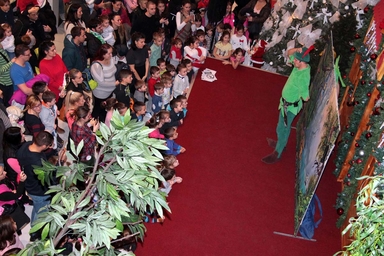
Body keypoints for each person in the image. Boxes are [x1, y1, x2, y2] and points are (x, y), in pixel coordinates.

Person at [262, 47, 311, 164]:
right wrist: (297, 49)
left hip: (291, 108)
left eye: (296, 60)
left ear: (301, 62)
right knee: (280, 126)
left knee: (284, 127)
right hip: (284, 103)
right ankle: (281, 143)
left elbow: (306, 97)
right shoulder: (298, 66)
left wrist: (304, 95)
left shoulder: (303, 77)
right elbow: (288, 53)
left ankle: (278, 151)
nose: (293, 61)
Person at [16, 131, 54, 226]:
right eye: (50, 145)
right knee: (42, 212)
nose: (51, 147)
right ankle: (35, 232)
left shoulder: (25, 146)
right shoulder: (38, 163)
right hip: (39, 192)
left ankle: (33, 225)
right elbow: (48, 180)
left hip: (29, 185)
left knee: (37, 209)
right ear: (44, 146)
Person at [90, 44, 117, 122]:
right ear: (103, 54)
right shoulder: (96, 66)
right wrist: (114, 84)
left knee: (106, 109)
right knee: (99, 110)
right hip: (101, 93)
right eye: (109, 53)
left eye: (111, 52)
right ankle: (94, 124)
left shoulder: (111, 59)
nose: (111, 55)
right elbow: (101, 82)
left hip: (110, 91)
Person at [0, 24, 14, 106]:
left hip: (8, 80)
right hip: (5, 82)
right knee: (7, 103)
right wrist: (11, 63)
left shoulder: (1, 48)